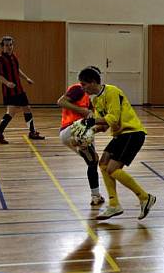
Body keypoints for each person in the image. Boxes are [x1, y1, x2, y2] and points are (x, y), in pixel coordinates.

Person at [84, 66, 155, 220]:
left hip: (132, 133)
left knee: (112, 169)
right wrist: (88, 131)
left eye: (84, 84)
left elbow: (113, 118)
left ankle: (144, 197)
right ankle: (114, 205)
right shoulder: (96, 99)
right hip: (121, 135)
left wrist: (91, 121)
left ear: (93, 82)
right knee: (103, 164)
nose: (83, 88)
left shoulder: (112, 91)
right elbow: (104, 126)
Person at [56, 68, 104, 207]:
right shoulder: (78, 89)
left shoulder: (93, 97)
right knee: (93, 161)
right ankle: (95, 195)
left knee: (93, 161)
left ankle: (96, 196)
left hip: (75, 132)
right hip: (74, 129)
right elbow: (61, 101)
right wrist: (83, 111)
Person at [0, 35, 45, 144]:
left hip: (19, 90)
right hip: (10, 91)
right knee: (11, 113)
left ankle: (32, 132)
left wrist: (26, 78)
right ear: (2, 47)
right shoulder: (0, 60)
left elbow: (17, 70)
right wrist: (7, 83)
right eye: (6, 45)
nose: (9, 47)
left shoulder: (14, 57)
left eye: (11, 45)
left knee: (27, 109)